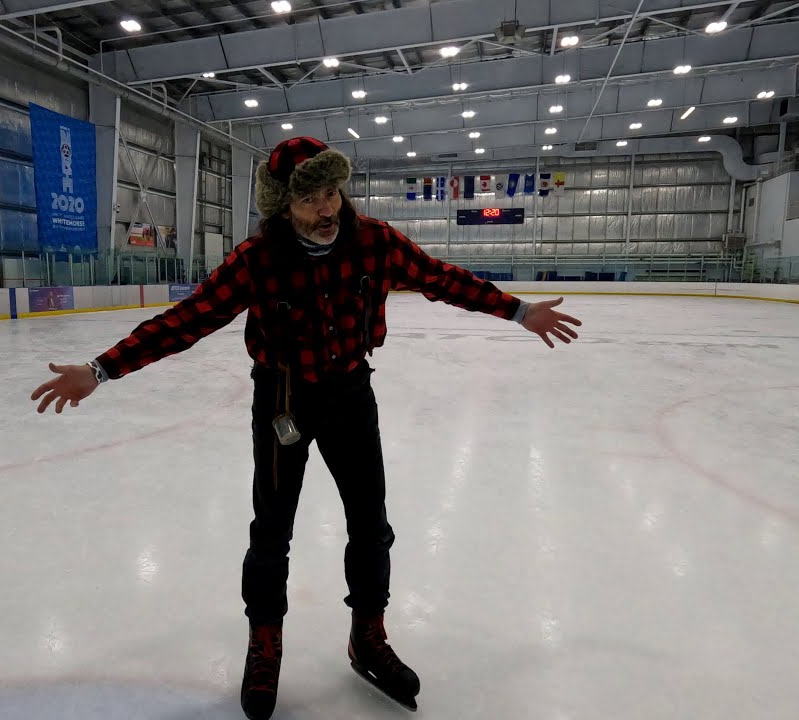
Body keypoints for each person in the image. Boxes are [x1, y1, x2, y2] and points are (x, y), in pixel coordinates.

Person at [31, 136, 582, 718]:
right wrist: (100, 369)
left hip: (349, 394)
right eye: (310, 200)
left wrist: (519, 311)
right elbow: (186, 321)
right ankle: (264, 644)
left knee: (371, 524)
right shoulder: (258, 258)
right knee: (272, 531)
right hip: (283, 400)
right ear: (283, 206)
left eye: (332, 193)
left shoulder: (375, 242)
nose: (327, 210)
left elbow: (441, 279)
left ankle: (367, 633)